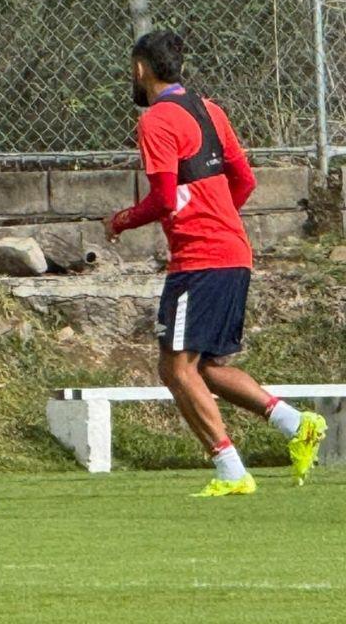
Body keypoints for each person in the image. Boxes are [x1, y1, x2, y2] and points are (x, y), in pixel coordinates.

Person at [105, 30, 326, 497]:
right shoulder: (211, 110)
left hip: (200, 258)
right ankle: (296, 424)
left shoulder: (157, 121)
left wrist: (122, 220)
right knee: (204, 366)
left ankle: (230, 469)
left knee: (175, 367)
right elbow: (244, 180)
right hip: (233, 252)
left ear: (141, 68)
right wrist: (220, 217)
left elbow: (164, 198)